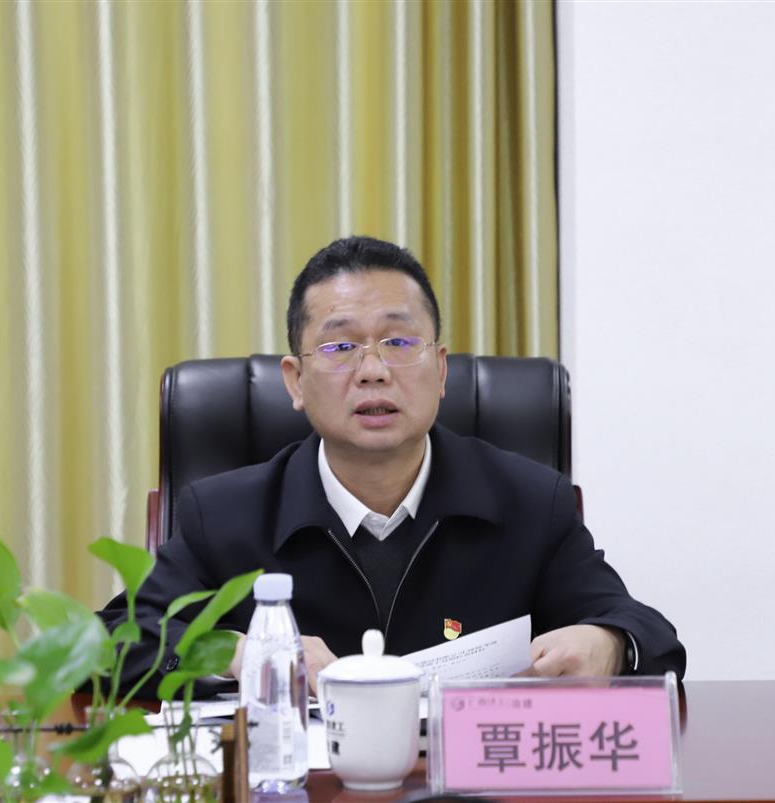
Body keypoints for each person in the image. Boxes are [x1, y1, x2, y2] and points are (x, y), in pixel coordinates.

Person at [99, 236, 685, 695]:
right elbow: (108, 644)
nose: (373, 371)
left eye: (399, 343)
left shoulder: (530, 502)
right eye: (340, 347)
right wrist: (240, 653)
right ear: (295, 381)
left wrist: (609, 643)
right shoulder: (224, 514)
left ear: (442, 369)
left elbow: (649, 635)